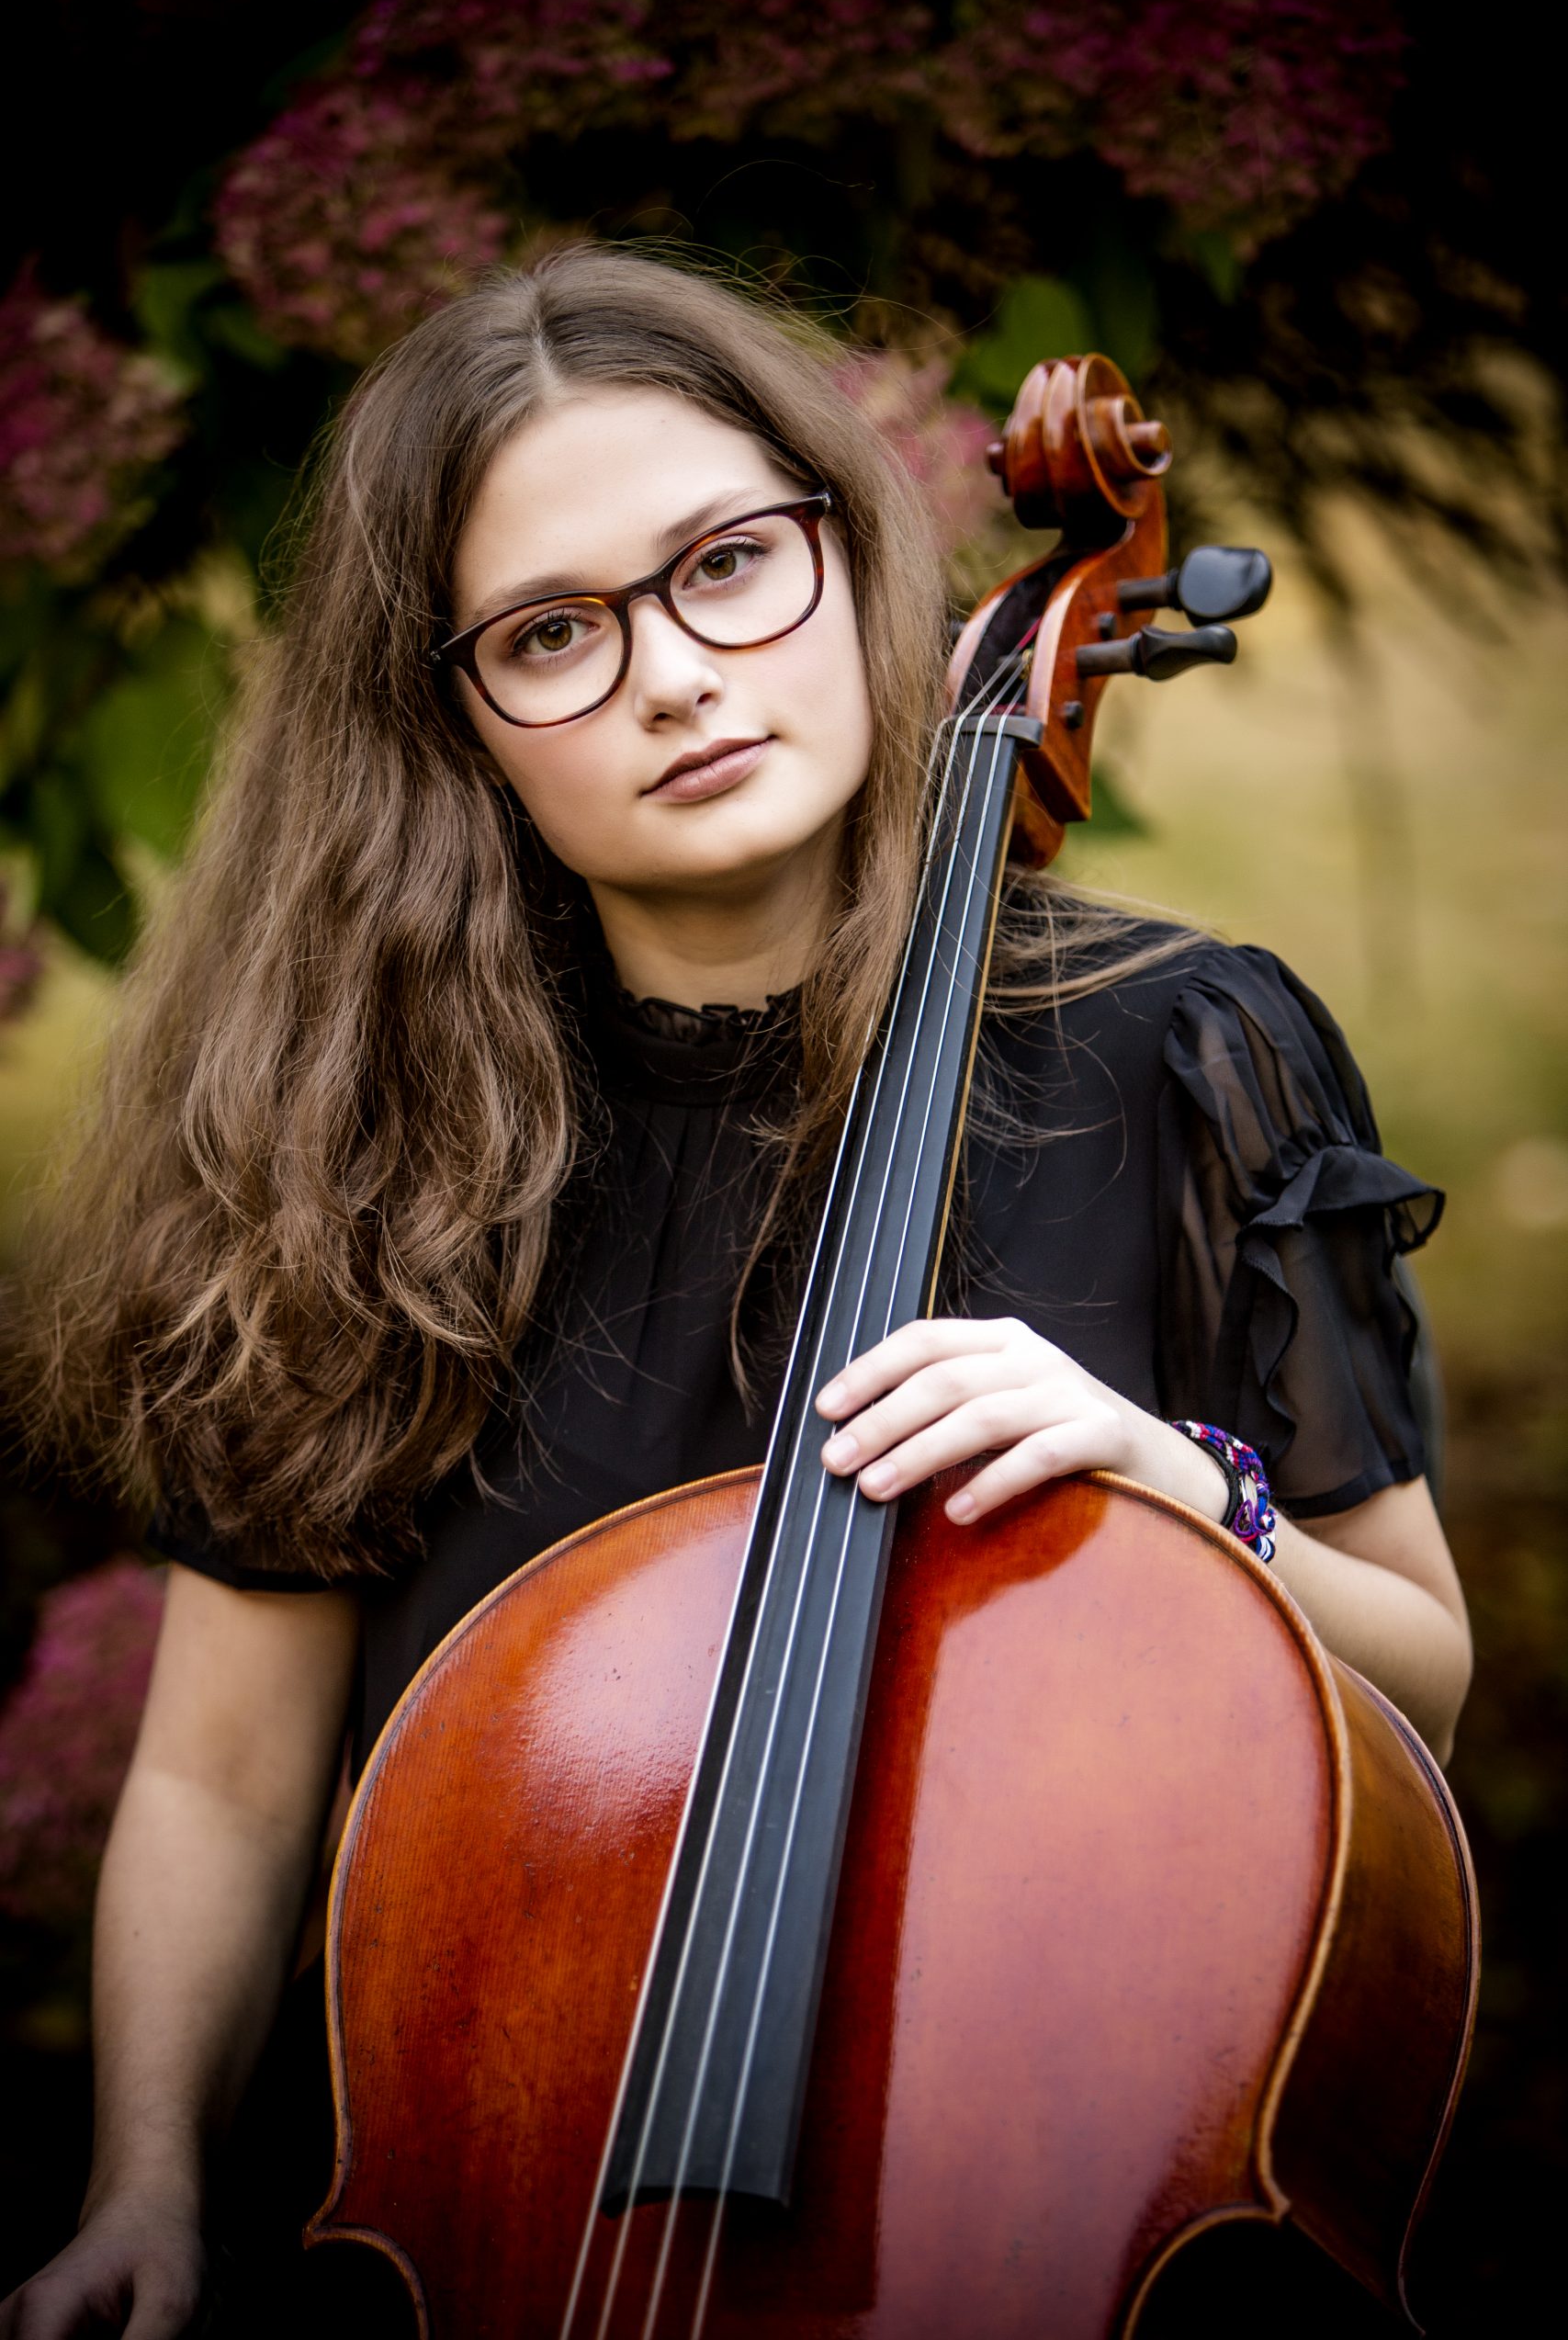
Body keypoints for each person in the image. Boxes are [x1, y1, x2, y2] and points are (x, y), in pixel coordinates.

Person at [0, 247, 1472, 2338]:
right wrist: (140, 2179)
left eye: (721, 566)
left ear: (847, 552)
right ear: (453, 729)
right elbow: (221, 1778)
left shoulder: (1185, 1055)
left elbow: (1412, 1674)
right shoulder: (364, 1145)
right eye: (548, 634)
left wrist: (1173, 1484)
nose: (673, 675)